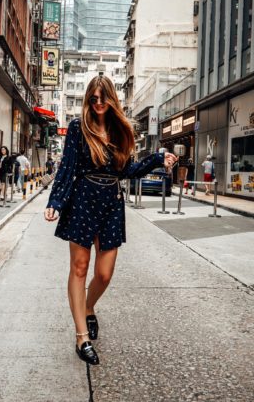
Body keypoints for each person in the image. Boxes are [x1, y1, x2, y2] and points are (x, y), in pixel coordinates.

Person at [44, 75, 177, 366]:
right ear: (88, 100)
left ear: (112, 99)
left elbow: (129, 171)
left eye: (103, 98)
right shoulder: (80, 127)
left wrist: (158, 158)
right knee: (79, 268)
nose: (99, 103)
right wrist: (55, 202)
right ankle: (82, 336)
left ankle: (89, 307)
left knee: (104, 274)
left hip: (111, 204)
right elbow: (67, 167)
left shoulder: (120, 130)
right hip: (81, 200)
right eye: (93, 98)